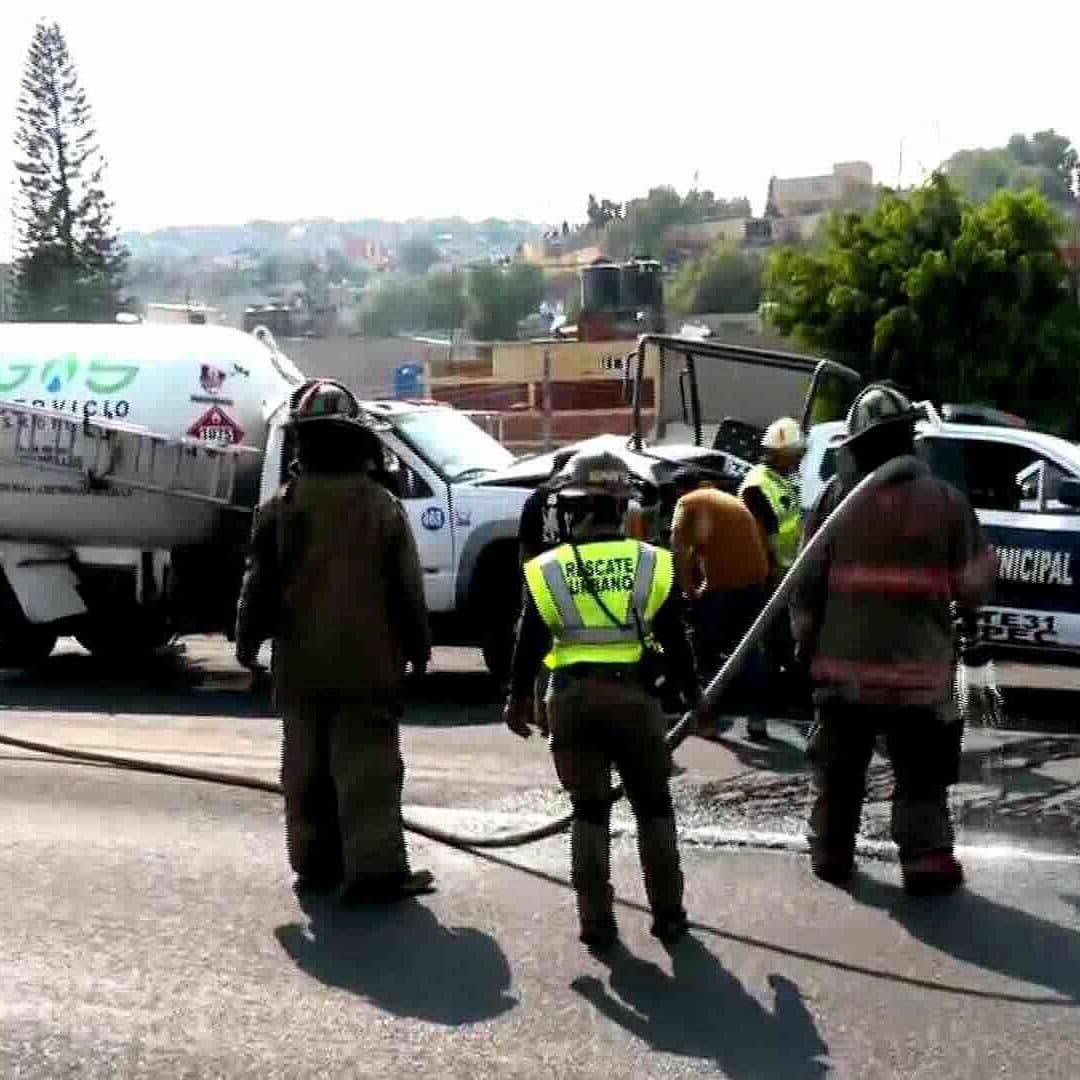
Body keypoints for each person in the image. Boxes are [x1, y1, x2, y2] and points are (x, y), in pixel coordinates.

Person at [790, 384, 995, 895]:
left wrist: (802, 644)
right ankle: (925, 859)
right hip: (919, 676)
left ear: (856, 444)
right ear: (910, 441)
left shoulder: (833, 503)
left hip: (843, 673)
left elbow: (804, 586)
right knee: (922, 775)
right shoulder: (946, 503)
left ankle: (832, 851)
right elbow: (972, 589)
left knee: (838, 771)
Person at [235, 379, 434, 903]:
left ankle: (314, 864)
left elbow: (257, 584)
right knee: (366, 768)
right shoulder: (382, 507)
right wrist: (419, 649)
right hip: (369, 665)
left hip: (300, 666)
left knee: (305, 767)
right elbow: (407, 588)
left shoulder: (281, 507)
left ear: (303, 443)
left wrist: (245, 643)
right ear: (356, 442)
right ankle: (374, 871)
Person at [502, 450, 701, 951]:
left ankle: (596, 923)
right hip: (634, 699)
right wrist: (694, 695)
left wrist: (517, 698)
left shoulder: (547, 568)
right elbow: (675, 635)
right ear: (623, 507)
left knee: (589, 814)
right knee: (653, 808)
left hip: (570, 701)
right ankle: (669, 917)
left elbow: (529, 639)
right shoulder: (652, 563)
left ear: (571, 509)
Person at [669, 467, 770, 741]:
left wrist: (688, 591)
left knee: (705, 649)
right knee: (750, 648)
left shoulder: (687, 502)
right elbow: (701, 547)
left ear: (682, 489)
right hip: (756, 578)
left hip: (726, 585)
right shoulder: (727, 499)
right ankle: (758, 721)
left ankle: (707, 719)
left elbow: (678, 550)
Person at [739, 417, 806, 738]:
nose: (799, 459)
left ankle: (786, 703)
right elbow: (759, 538)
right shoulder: (757, 486)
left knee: (782, 642)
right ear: (780, 453)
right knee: (765, 645)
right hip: (770, 577)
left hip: (785, 573)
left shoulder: (780, 479)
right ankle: (757, 715)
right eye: (795, 453)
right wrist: (774, 575)